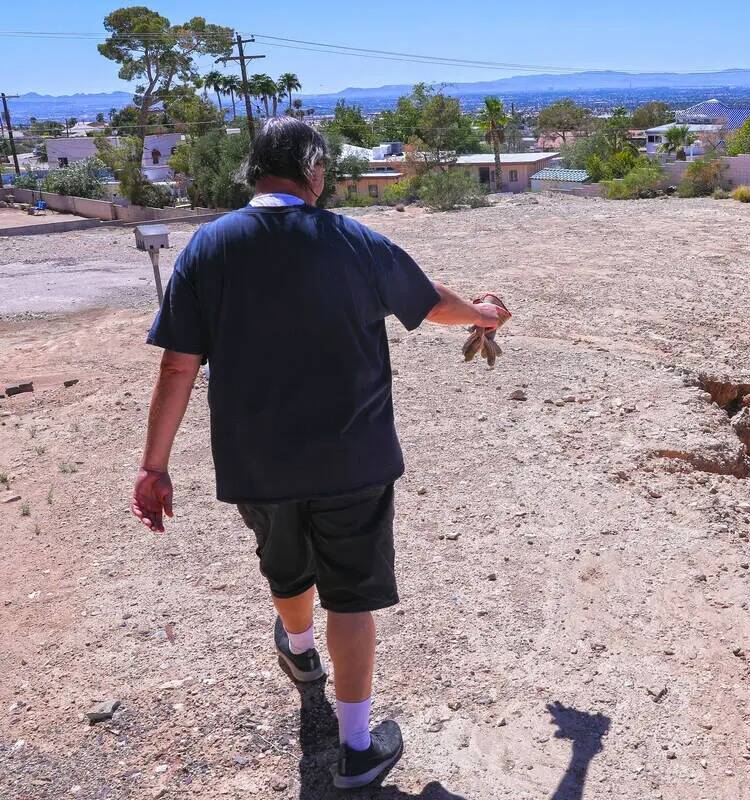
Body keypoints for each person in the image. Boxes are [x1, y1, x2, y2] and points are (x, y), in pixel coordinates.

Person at [130, 117, 510, 790]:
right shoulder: (351, 241)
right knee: (351, 598)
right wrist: (481, 311)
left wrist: (153, 466)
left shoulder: (208, 249)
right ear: (313, 171)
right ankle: (358, 750)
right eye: (324, 171)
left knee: (285, 567)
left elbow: (178, 368)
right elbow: (429, 303)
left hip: (257, 463)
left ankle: (301, 654)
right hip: (352, 458)